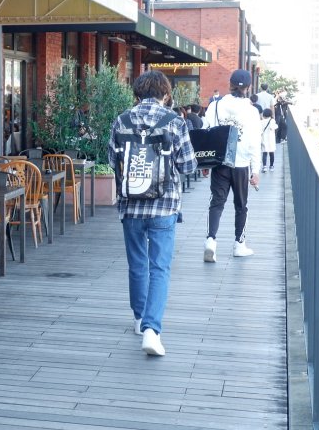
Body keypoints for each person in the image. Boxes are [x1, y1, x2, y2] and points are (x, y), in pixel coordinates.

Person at [108, 71, 196, 357]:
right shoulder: (174, 122)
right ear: (166, 94)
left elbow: (113, 160)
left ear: (137, 94)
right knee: (160, 267)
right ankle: (152, 329)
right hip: (164, 205)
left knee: (137, 264)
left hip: (131, 205)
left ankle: (138, 319)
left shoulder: (121, 120)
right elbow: (187, 166)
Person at [203, 69, 261, 262]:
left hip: (220, 161)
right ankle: (239, 244)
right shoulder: (252, 111)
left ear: (230, 84)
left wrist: (204, 160)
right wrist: (256, 170)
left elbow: (206, 131)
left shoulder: (216, 106)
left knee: (216, 202)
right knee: (241, 206)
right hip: (242, 163)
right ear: (248, 87)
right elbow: (254, 141)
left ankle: (211, 240)